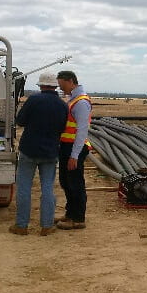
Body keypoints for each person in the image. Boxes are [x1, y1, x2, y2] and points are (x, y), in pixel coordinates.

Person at [9, 72, 68, 236]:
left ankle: (21, 226)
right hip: (50, 152)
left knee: (24, 188)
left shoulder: (33, 100)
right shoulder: (63, 105)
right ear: (55, 86)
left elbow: (20, 120)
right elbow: (63, 128)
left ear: (41, 86)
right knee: (48, 188)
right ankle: (47, 226)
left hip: (29, 150)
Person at [55, 70, 92, 230]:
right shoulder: (73, 99)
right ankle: (70, 213)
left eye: (62, 86)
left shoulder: (81, 102)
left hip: (74, 148)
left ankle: (77, 218)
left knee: (75, 183)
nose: (62, 89)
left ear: (70, 81)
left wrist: (74, 156)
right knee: (66, 181)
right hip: (67, 146)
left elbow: (82, 130)